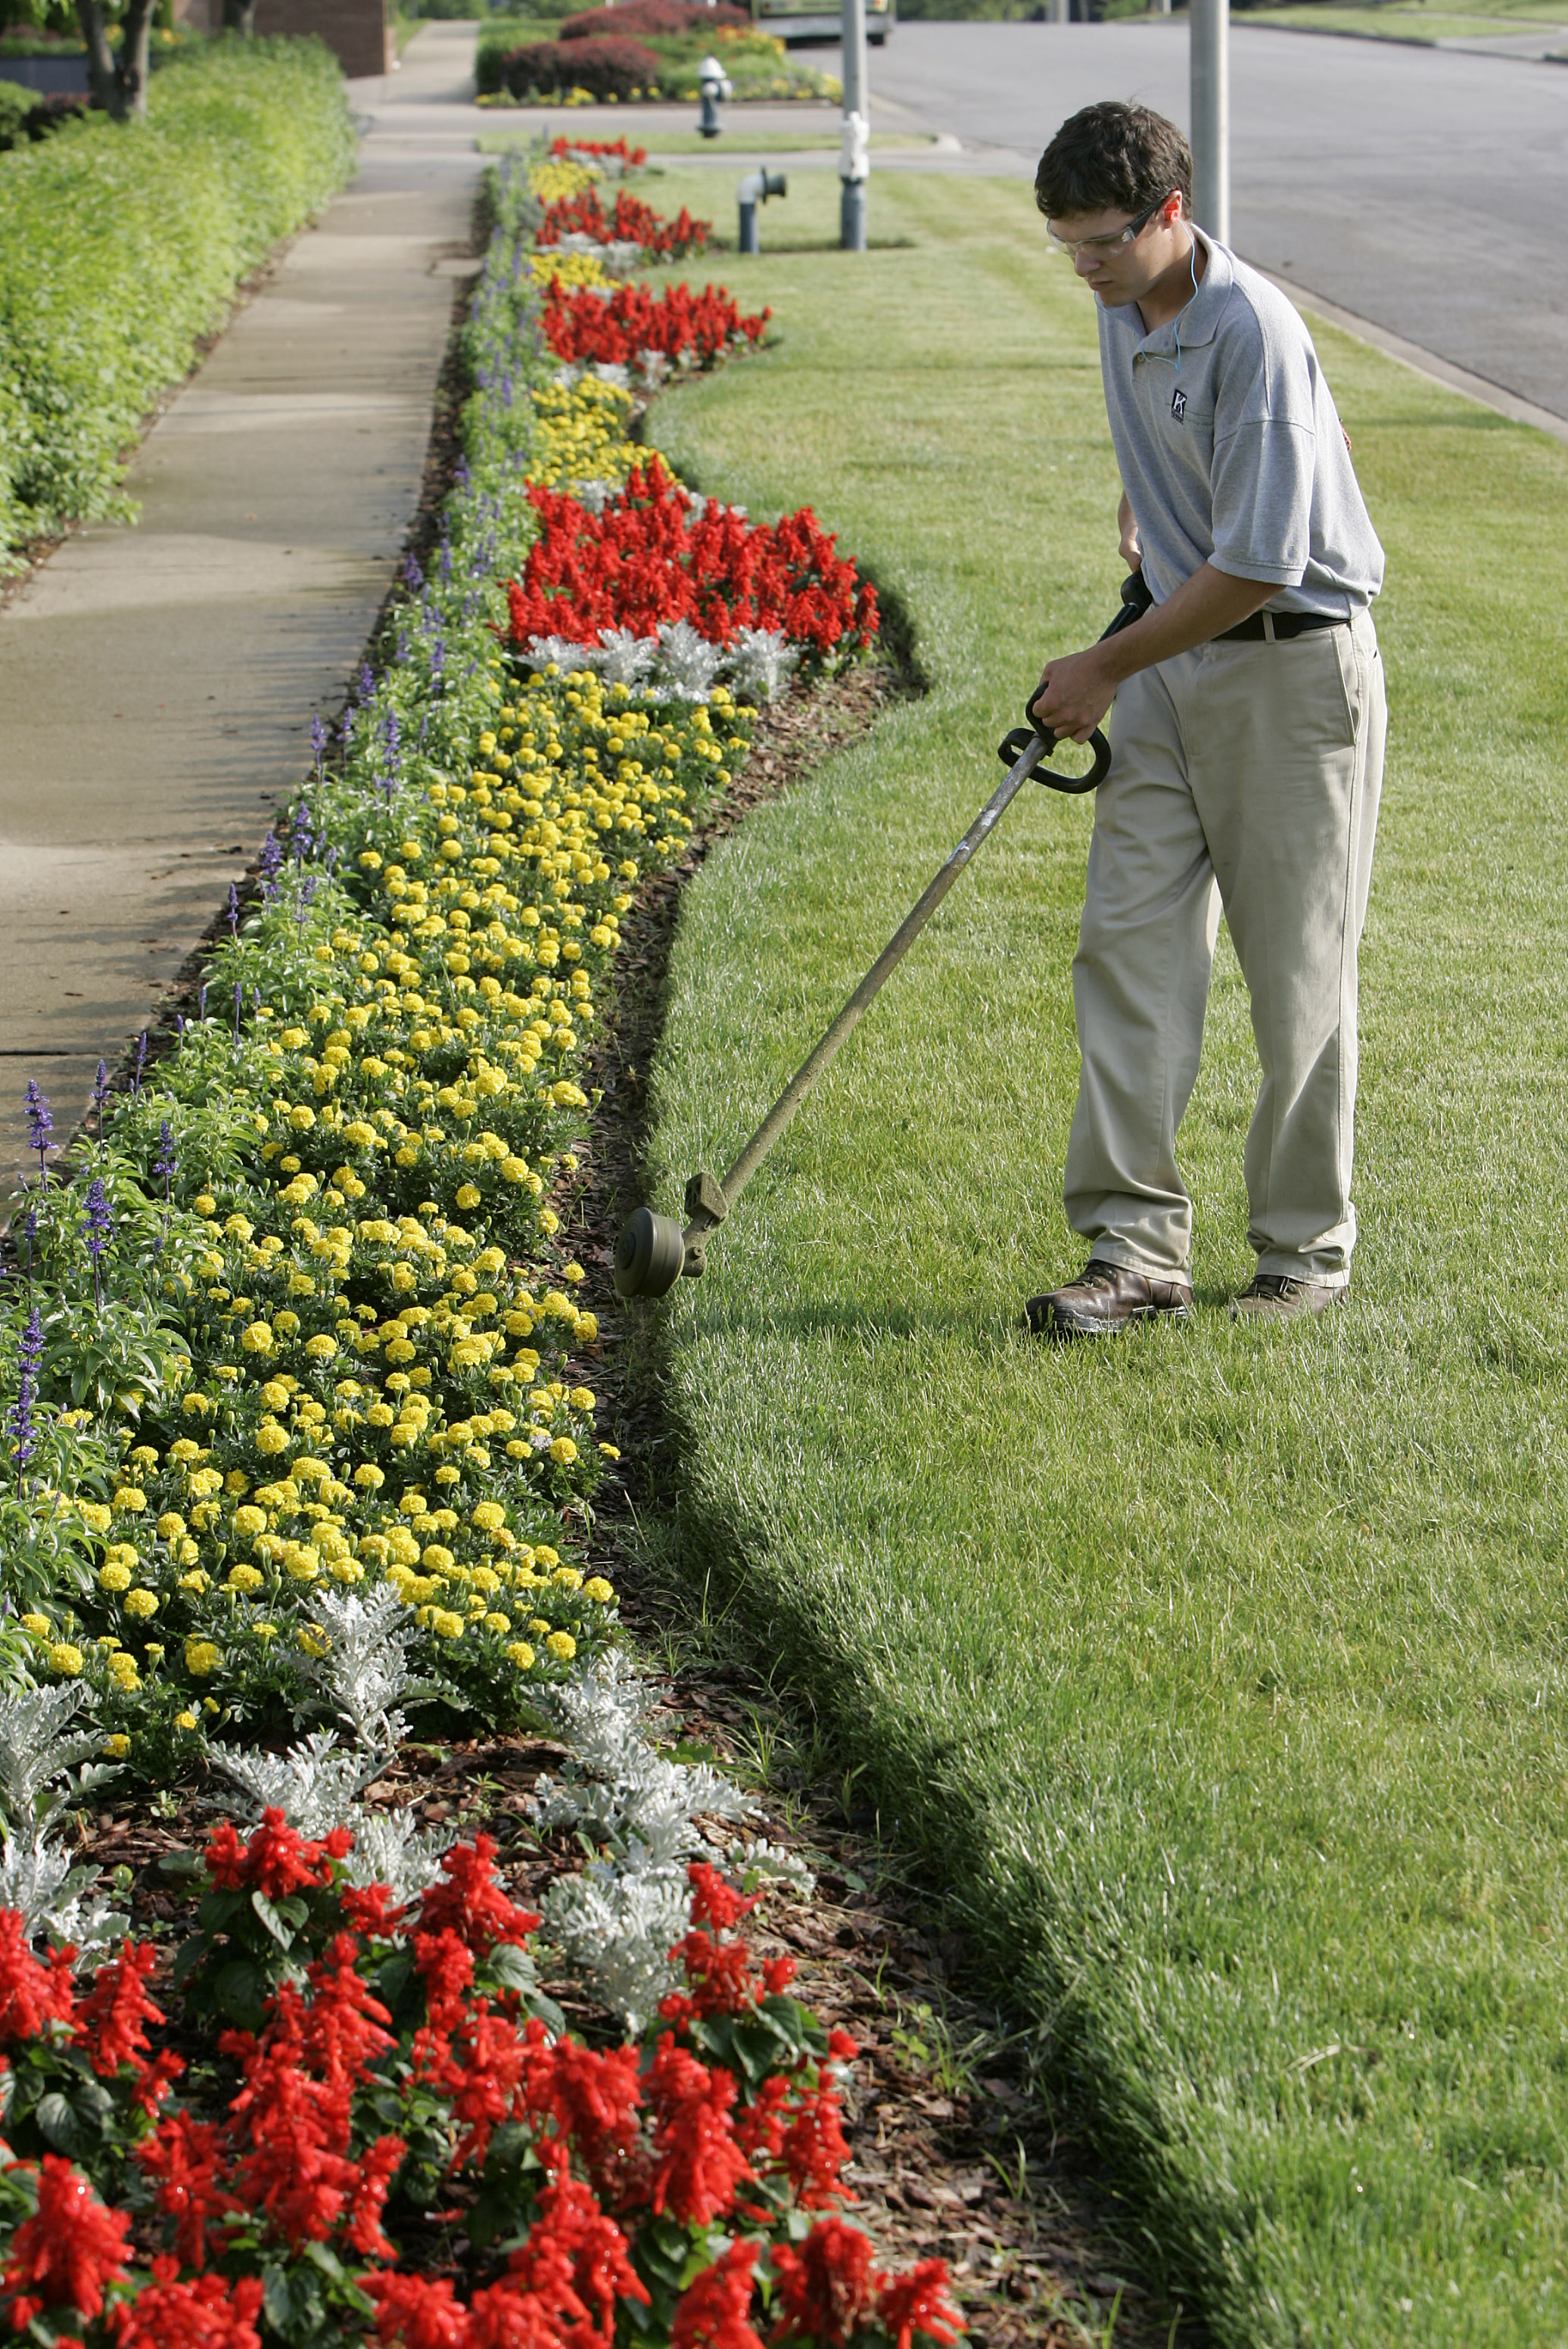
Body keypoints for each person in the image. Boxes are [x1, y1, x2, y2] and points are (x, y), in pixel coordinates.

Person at [1025, 101, 1387, 1338]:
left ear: (1171, 214)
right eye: (1066, 245)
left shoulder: (1257, 335)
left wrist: (1101, 667)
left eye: (1103, 244)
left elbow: (1262, 566)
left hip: (1290, 676)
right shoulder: (1123, 299)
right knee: (1127, 951)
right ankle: (1133, 1255)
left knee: (1295, 980)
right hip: (1175, 665)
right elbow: (1180, 460)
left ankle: (1302, 1255)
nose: (1086, 267)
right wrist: (1147, 512)